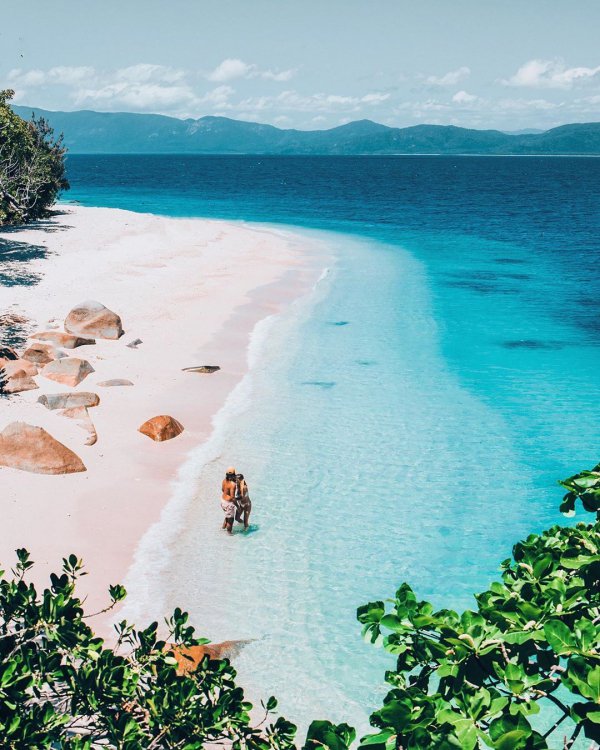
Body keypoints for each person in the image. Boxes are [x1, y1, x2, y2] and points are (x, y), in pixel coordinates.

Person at [221, 467, 237, 534]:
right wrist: (238, 506)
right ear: (234, 475)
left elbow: (222, 489)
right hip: (228, 503)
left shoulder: (224, 480)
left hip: (222, 501)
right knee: (231, 520)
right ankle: (229, 533)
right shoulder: (233, 484)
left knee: (227, 516)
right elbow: (233, 497)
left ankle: (223, 528)